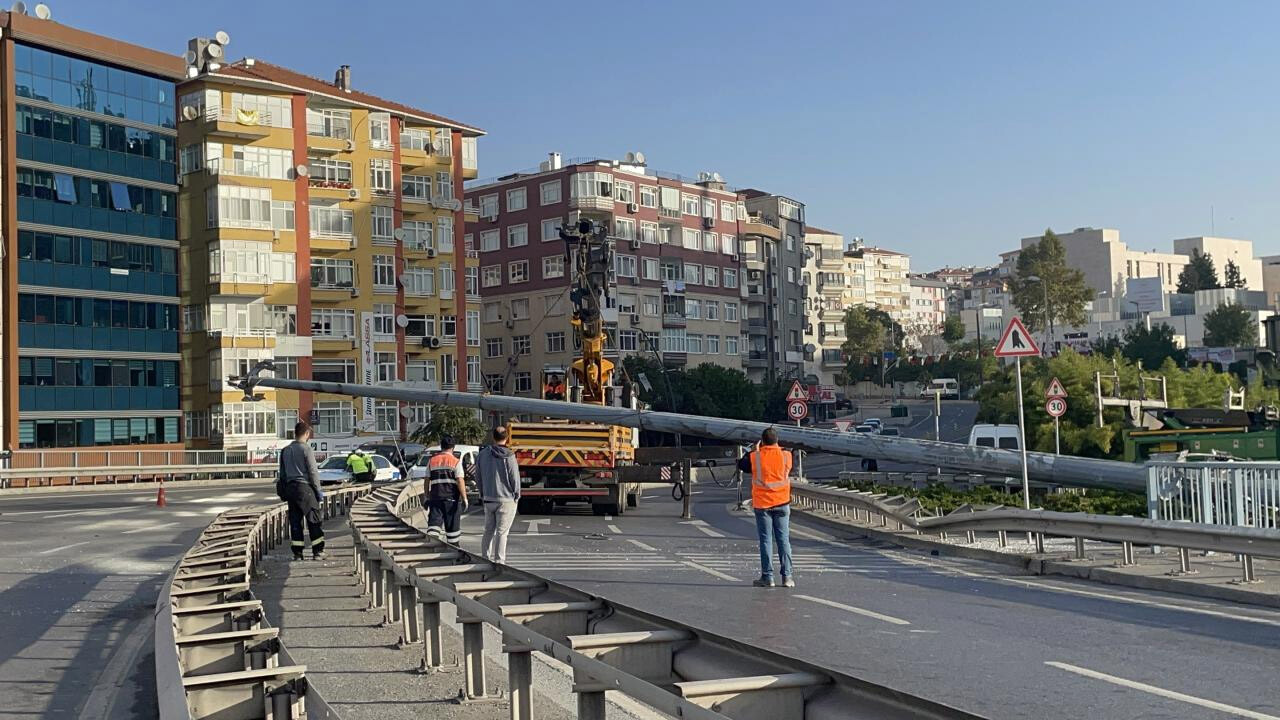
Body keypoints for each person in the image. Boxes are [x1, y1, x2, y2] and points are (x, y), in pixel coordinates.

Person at [738, 427, 794, 587]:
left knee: (766, 540)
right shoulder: (786, 456)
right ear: (777, 440)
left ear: (761, 441)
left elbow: (742, 465)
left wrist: (752, 450)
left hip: (763, 505)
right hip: (782, 503)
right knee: (784, 540)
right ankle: (787, 577)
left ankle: (768, 577)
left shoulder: (755, 457)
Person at [278, 421, 326, 561]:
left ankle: (297, 553)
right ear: (306, 434)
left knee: (295, 522)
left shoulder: (285, 450)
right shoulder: (306, 449)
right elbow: (313, 472)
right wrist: (318, 491)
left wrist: (284, 491)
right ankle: (318, 551)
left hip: (291, 489)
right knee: (314, 520)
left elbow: (282, 474)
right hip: (305, 488)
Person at [477, 425, 521, 564]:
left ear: (493, 437)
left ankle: (485, 558)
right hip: (506, 499)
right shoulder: (509, 455)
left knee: (488, 530)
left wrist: (482, 492)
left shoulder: (483, 454)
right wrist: (516, 494)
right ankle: (499, 561)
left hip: (488, 498)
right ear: (507, 438)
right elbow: (514, 477)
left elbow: (477, 476)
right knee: (502, 533)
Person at [424, 435, 468, 545]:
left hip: (435, 499)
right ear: (453, 448)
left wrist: (426, 497)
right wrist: (464, 498)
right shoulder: (456, 462)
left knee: (433, 528)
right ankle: (454, 554)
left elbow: (426, 480)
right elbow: (460, 481)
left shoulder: (432, 461)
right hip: (451, 500)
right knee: (453, 533)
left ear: (441, 447)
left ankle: (432, 549)